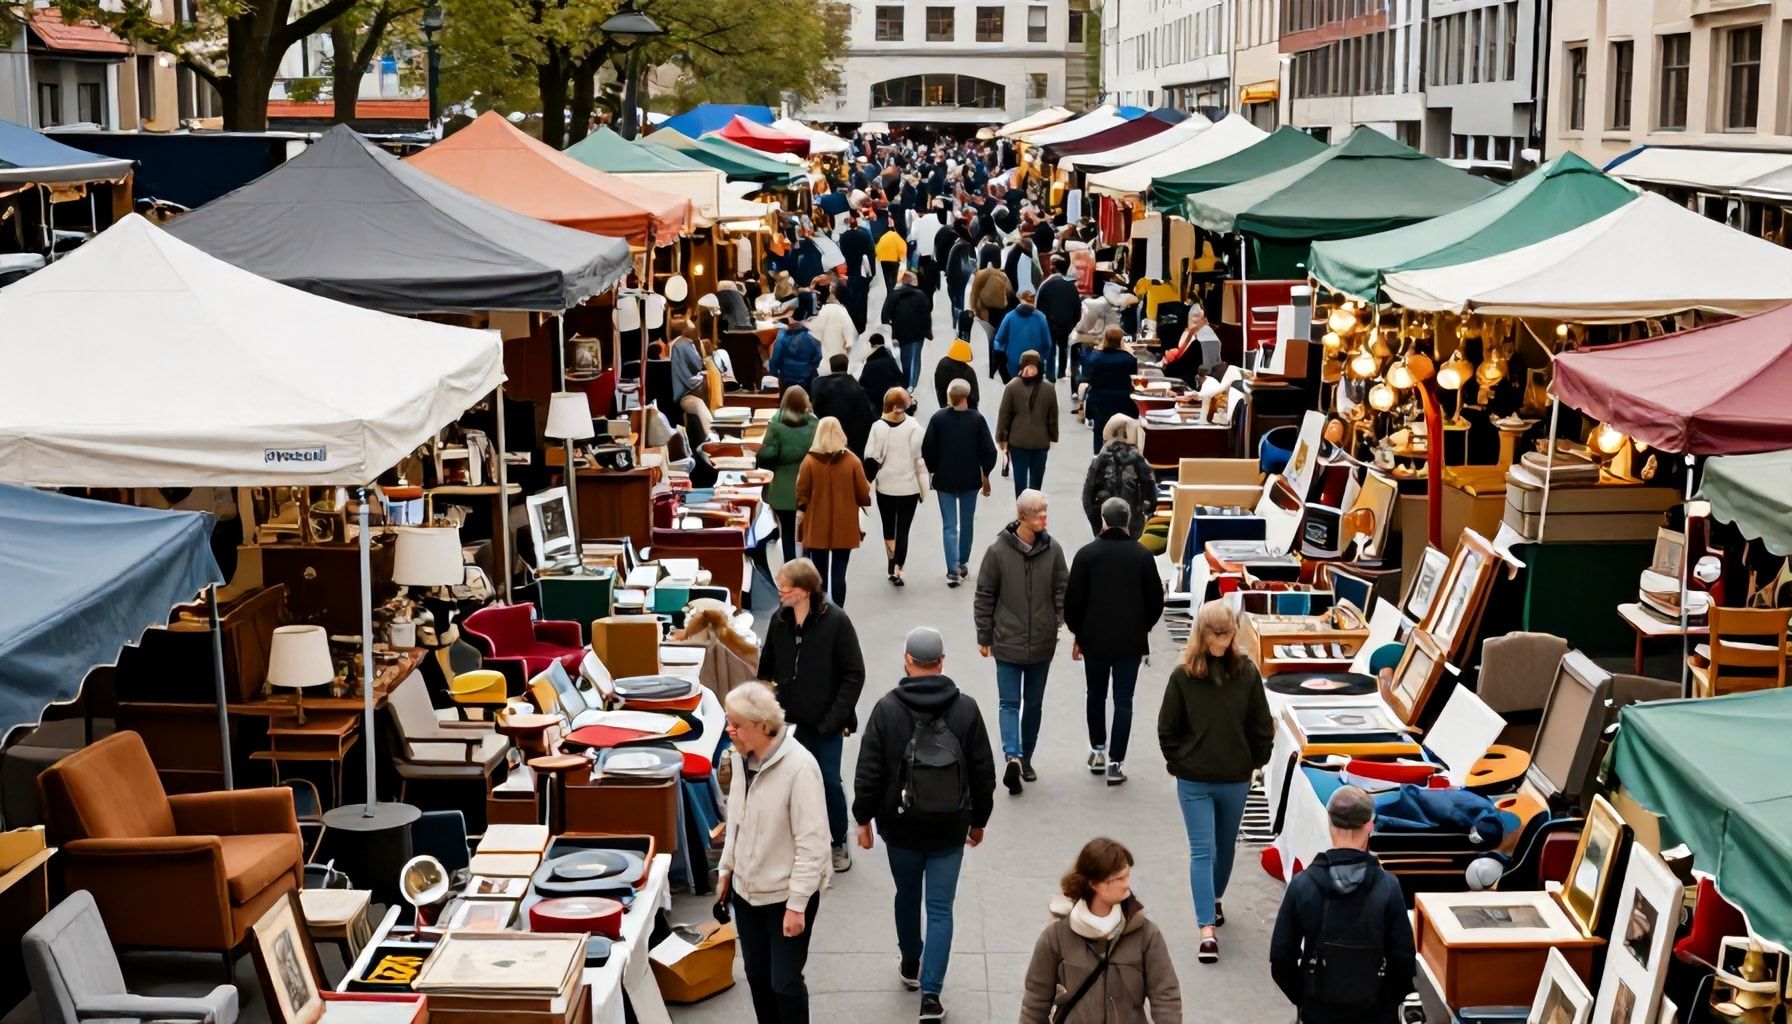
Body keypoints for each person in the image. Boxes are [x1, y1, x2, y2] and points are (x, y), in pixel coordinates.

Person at [852, 627, 997, 1024]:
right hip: (950, 827)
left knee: (906, 894)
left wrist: (862, 818)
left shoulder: (887, 709)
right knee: (939, 908)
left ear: (907, 660)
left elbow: (869, 769)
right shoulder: (965, 709)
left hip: (900, 827)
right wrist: (979, 820)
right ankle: (931, 995)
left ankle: (911, 962)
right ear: (942, 662)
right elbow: (984, 770)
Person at [1157, 600, 1273, 963]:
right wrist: (1179, 763)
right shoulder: (1182, 676)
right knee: (1202, 850)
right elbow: (1167, 728)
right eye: (1215, 634)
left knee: (1225, 848)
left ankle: (1215, 898)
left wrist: (1256, 761)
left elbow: (1261, 724)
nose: (1222, 642)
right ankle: (1206, 928)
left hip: (1235, 778)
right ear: (1202, 634)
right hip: (1194, 780)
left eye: (1227, 634)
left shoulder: (1248, 674)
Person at [717, 682, 831, 1024]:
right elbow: (735, 818)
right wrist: (726, 871)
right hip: (746, 893)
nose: (728, 730)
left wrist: (797, 905)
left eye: (736, 724)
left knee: (785, 982)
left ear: (763, 727)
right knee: (758, 978)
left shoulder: (801, 769)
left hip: (785, 897)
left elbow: (813, 845)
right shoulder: (740, 760)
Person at [1269, 787, 1416, 1024]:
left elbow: (1281, 959)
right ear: (1370, 825)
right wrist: (1385, 1003)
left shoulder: (1303, 885)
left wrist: (1305, 999)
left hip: (1318, 1011)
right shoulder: (1388, 886)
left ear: (1330, 824)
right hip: (1375, 1012)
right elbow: (1404, 960)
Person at [759, 558, 866, 873]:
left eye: (786, 588)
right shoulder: (780, 621)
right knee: (788, 783)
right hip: (787, 723)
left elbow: (854, 674)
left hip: (824, 724)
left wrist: (833, 718)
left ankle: (837, 841)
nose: (780, 593)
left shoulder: (837, 622)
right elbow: (766, 669)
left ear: (804, 591)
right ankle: (796, 841)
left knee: (829, 781)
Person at [1018, 837, 1182, 1024]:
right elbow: (1035, 1002)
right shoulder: (1056, 937)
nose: (1126, 884)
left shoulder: (1146, 934)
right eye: (1118, 879)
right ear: (1095, 883)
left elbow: (1166, 997)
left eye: (1127, 876)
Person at [973, 489, 1068, 794]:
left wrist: (1059, 622)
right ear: (1022, 516)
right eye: (1039, 513)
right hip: (1007, 642)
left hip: (1042, 642)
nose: (1045, 517)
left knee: (1034, 704)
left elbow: (1062, 589)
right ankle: (1013, 756)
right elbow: (985, 595)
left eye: (1045, 511)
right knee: (1009, 702)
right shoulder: (997, 552)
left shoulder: (1053, 550)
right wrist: (984, 635)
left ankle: (1025, 756)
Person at [1065, 498, 1163, 786]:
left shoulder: (1086, 555)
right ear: (1129, 520)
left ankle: (1097, 750)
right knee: (1124, 700)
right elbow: (1156, 601)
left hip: (1094, 640)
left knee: (1095, 694)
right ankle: (1116, 762)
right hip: (1130, 642)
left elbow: (1073, 602)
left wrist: (1078, 633)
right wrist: (1142, 627)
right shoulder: (1143, 556)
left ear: (1103, 521)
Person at [921, 379, 997, 587]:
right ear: (966, 397)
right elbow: (989, 450)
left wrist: (933, 468)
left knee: (949, 525)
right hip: (970, 479)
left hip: (944, 479)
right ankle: (962, 561)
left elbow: (928, 448)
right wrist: (985, 471)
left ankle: (952, 568)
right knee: (966, 523)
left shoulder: (938, 419)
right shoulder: (976, 419)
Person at [795, 416, 872, 606]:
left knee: (819, 573)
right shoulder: (852, 461)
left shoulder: (810, 461)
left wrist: (803, 508)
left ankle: (820, 607)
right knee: (839, 572)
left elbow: (801, 493)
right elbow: (863, 492)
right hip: (844, 526)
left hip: (816, 525)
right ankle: (839, 611)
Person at [864, 387, 928, 586]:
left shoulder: (877, 427)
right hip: (909, 488)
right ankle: (899, 567)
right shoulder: (915, 428)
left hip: (885, 487)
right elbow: (921, 459)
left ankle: (891, 563)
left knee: (888, 526)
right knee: (904, 529)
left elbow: (870, 458)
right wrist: (924, 485)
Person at [757, 388, 819, 564]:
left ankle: (790, 567)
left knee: (788, 532)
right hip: (810, 487)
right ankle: (808, 566)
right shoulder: (816, 425)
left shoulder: (776, 427)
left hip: (782, 490)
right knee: (809, 530)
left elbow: (766, 458)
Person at [1082, 416, 1157, 540]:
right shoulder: (1138, 460)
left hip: (1103, 521)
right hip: (1132, 524)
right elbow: (1150, 495)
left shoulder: (1100, 459)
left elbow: (1087, 496)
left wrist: (1096, 523)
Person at [995, 350, 1059, 496]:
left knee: (1020, 482)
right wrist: (1053, 435)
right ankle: (1033, 510)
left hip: (1018, 441)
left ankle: (1022, 511)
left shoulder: (1012, 386)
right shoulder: (1049, 388)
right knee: (1036, 484)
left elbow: (1004, 414)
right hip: (1041, 442)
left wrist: (1002, 438)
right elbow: (1053, 415)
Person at [1081, 326, 1140, 453]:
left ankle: (1099, 459)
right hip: (1124, 403)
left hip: (1100, 402)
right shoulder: (1129, 360)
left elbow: (1086, 377)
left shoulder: (1095, 358)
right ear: (1121, 341)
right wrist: (1129, 351)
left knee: (1100, 434)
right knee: (1122, 434)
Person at [811, 354, 875, 458]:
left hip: (825, 441)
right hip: (851, 445)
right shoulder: (857, 389)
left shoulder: (817, 385)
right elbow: (867, 416)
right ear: (847, 366)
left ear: (831, 367)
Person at [1035, 256, 1083, 383]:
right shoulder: (1071, 287)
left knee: (1050, 347)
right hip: (1066, 322)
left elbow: (1039, 307)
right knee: (1063, 346)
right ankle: (1061, 372)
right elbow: (1077, 306)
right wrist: (1074, 322)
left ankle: (1050, 374)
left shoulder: (1045, 286)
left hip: (1049, 322)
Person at [884, 270, 933, 391]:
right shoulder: (920, 295)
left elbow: (885, 315)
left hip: (901, 332)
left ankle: (906, 382)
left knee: (904, 358)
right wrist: (928, 331)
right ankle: (912, 385)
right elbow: (926, 315)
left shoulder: (893, 295)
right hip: (918, 333)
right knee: (915, 358)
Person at [994, 290, 1055, 383]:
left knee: (1015, 390)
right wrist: (1043, 360)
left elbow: (999, 340)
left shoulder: (1009, 316)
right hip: (1035, 363)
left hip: (1013, 364)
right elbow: (1048, 343)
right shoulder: (1041, 318)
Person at [669, 321, 713, 444]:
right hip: (687, 390)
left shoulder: (673, 344)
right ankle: (711, 434)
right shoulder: (685, 343)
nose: (695, 328)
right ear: (685, 330)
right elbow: (698, 364)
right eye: (692, 326)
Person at [838, 213, 876, 333]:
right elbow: (871, 251)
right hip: (864, 269)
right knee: (863, 296)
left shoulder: (843, 237)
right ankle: (863, 321)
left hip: (851, 269)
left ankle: (855, 321)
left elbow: (842, 252)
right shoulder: (864, 233)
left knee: (853, 295)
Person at [768, 317, 822, 395]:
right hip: (806, 381)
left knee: (786, 404)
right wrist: (812, 372)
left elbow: (775, 360)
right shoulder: (811, 337)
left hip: (787, 381)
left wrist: (774, 374)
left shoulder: (781, 337)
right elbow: (819, 357)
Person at [810, 283, 858, 364]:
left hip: (822, 360)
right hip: (840, 360)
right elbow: (850, 338)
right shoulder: (841, 311)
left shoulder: (816, 315)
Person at [857, 334, 907, 411]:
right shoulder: (891, 359)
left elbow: (862, 383)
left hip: (876, 400)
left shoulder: (869, 364)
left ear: (872, 345)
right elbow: (900, 378)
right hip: (891, 397)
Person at [933, 331, 979, 412]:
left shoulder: (942, 363)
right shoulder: (969, 372)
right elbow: (975, 396)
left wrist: (943, 404)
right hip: (966, 408)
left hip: (947, 406)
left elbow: (939, 387)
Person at [876, 221, 908, 300]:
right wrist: (902, 259)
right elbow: (902, 248)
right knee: (894, 277)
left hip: (883, 260)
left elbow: (877, 248)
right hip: (893, 260)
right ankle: (893, 293)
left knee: (886, 277)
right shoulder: (896, 236)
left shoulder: (883, 236)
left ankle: (889, 292)